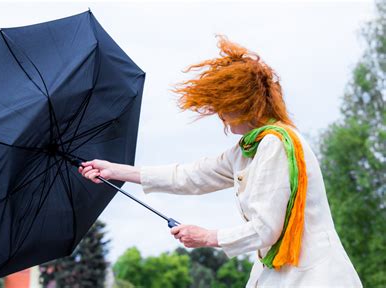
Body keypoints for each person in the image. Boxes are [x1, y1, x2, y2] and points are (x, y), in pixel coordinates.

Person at [77, 35, 363, 287]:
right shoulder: (250, 148)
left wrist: (207, 237)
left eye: (222, 107)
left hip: (313, 276)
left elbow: (266, 229)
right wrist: (116, 171)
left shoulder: (275, 145)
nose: (219, 116)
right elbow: (190, 175)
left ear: (243, 103)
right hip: (282, 272)